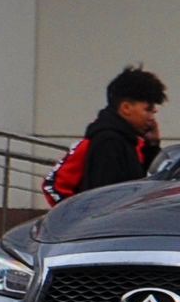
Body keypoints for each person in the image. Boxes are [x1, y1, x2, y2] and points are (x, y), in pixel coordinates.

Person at [45, 65, 166, 202]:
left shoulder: (131, 141)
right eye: (148, 110)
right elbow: (109, 198)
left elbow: (146, 181)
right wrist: (72, 218)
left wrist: (151, 146)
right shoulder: (108, 142)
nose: (151, 118)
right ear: (126, 108)